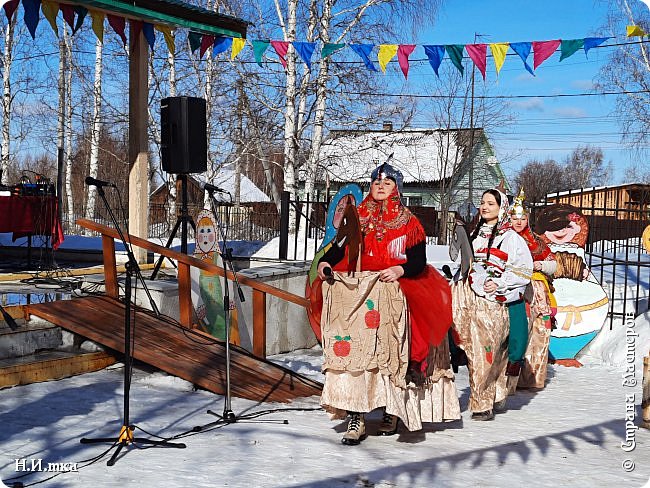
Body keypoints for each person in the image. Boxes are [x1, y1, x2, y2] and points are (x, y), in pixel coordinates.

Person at [316, 162, 460, 445]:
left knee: (390, 354)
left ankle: (391, 410)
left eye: (388, 182)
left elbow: (418, 261)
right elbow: (339, 246)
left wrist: (399, 270)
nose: (380, 186)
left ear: (398, 188)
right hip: (360, 292)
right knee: (356, 355)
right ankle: (355, 416)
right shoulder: (356, 216)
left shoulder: (409, 222)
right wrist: (325, 261)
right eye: (376, 182)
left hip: (394, 292)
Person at [451, 188, 532, 421]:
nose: (484, 207)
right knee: (474, 351)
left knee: (488, 351)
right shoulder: (475, 235)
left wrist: (499, 283)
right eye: (482, 203)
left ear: (501, 208)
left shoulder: (511, 238)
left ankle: (484, 400)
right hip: (469, 298)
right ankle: (489, 393)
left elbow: (522, 271)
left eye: (490, 203)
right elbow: (465, 263)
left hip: (494, 303)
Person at [509, 189, 557, 389]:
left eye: (522, 218)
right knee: (514, 334)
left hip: (537, 292)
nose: (518, 222)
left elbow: (553, 263)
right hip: (513, 289)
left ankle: (532, 378)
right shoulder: (505, 239)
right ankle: (509, 381)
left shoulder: (536, 241)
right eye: (514, 218)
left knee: (539, 333)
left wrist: (540, 266)